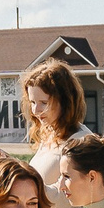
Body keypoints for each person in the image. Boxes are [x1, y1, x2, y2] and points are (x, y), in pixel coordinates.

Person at [20, 57, 97, 196]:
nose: (36, 110)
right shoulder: (49, 133)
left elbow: (65, 197)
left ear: (65, 101)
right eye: (32, 102)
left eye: (44, 102)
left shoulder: (81, 141)